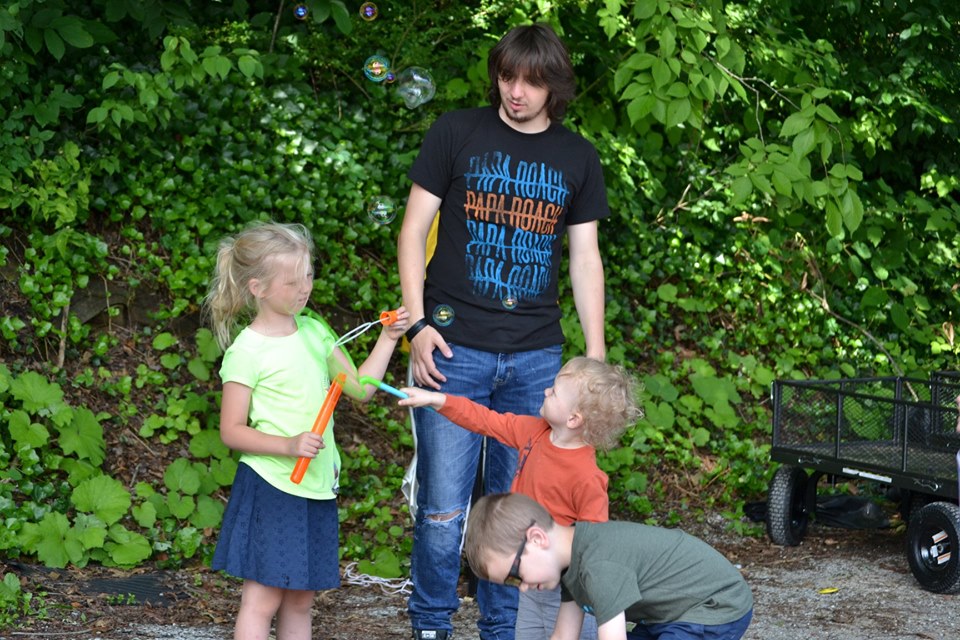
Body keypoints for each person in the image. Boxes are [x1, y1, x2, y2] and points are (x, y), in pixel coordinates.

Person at [397, 22, 611, 640]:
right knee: (442, 508)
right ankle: (432, 624)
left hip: (537, 361)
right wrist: (415, 325)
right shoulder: (456, 131)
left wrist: (592, 354)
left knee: (519, 511)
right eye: (507, 76)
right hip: (451, 348)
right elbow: (412, 232)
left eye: (531, 81)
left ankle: (504, 629)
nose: (515, 91)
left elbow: (584, 257)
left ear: (555, 86)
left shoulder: (577, 157)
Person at [203, 221, 409, 640]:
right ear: (257, 287)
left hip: (315, 488)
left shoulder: (316, 331)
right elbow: (231, 430)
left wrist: (387, 339)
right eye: (294, 281)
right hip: (272, 486)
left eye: (310, 275)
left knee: (300, 600)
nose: (306, 288)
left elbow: (359, 390)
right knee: (262, 600)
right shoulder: (247, 351)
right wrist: (288, 444)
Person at [399, 357, 640, 640]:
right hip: (530, 575)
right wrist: (437, 399)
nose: (546, 391)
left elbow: (595, 542)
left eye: (555, 392)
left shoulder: (588, 476)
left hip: (568, 589)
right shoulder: (534, 432)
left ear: (574, 418)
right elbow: (485, 419)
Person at [464, 493, 755, 640]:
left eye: (516, 577)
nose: (524, 588)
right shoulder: (570, 564)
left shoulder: (598, 566)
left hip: (715, 606)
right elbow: (564, 636)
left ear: (537, 539)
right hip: (670, 615)